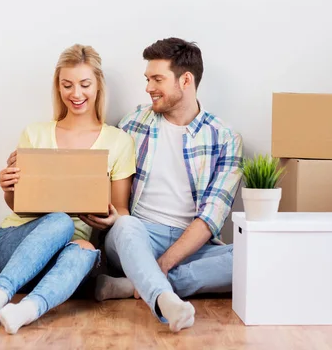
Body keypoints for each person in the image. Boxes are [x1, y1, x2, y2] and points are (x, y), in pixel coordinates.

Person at [0, 44, 136, 334]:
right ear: (57, 87)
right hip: (12, 250)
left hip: (65, 268)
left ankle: (26, 311)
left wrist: (111, 219)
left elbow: (121, 209)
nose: (76, 94)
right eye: (67, 85)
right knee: (59, 220)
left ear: (98, 86)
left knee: (85, 247)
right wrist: (8, 188)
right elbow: (18, 205)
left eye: (84, 84)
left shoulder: (119, 141)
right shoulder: (35, 133)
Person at [88, 37, 243, 332]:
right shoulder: (132, 123)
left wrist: (163, 264)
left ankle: (134, 285)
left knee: (252, 256)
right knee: (125, 225)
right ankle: (162, 299)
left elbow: (212, 217)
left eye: (157, 79)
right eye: (148, 79)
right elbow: (98, 171)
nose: (148, 87)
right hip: (138, 236)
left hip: (195, 244)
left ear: (186, 80)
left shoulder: (225, 138)